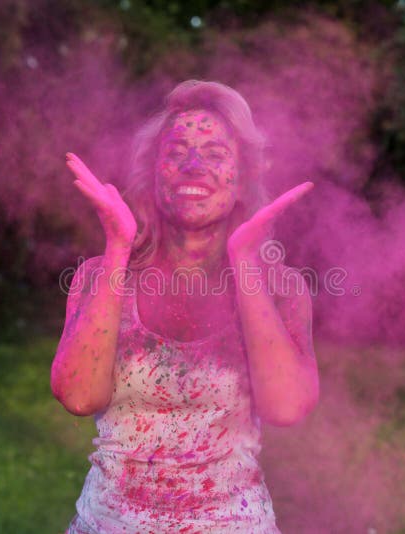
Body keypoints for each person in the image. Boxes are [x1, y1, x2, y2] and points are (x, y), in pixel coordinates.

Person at [51, 80, 319, 533]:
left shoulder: (278, 287)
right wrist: (118, 244)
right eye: (176, 152)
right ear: (154, 171)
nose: (193, 166)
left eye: (215, 154)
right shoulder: (101, 274)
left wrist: (247, 263)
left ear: (243, 179)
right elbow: (79, 396)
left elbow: (287, 407)